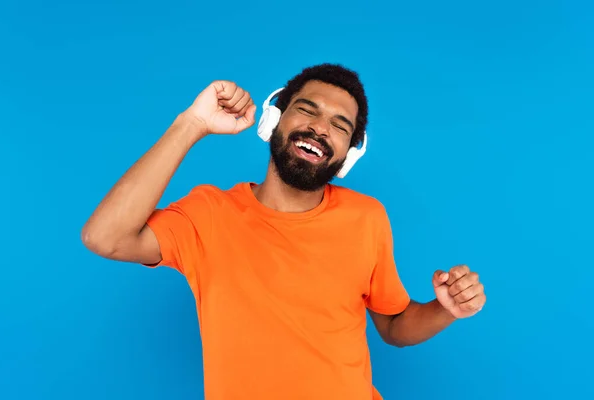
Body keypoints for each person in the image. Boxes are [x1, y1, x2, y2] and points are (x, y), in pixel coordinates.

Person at [82, 63, 487, 400]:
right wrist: (192, 123)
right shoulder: (207, 214)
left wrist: (445, 309)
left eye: (339, 125)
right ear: (274, 119)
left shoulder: (367, 217)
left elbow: (395, 326)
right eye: (308, 110)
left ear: (349, 154)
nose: (320, 128)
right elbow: (105, 237)